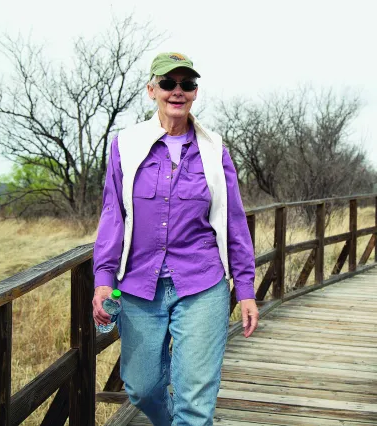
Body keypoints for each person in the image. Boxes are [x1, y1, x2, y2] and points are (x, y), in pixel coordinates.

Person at [92, 52, 259, 425]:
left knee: (195, 402)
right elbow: (112, 216)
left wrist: (245, 289)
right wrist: (103, 281)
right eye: (168, 83)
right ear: (152, 90)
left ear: (195, 93)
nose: (177, 91)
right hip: (136, 287)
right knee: (141, 388)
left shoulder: (215, 151)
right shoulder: (126, 145)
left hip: (201, 284)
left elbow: (233, 222)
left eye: (187, 84)